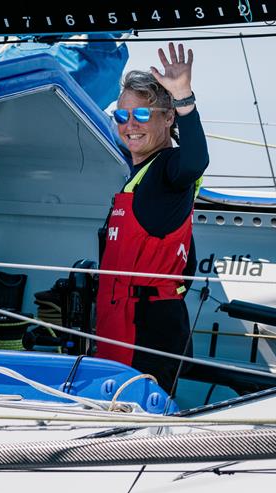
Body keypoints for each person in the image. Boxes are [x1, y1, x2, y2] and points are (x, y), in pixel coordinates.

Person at [95, 43, 209, 393]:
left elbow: (195, 161)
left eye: (142, 115)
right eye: (122, 115)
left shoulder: (169, 170)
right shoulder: (138, 174)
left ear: (167, 118)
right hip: (119, 320)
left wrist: (184, 99)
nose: (130, 125)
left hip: (148, 329)